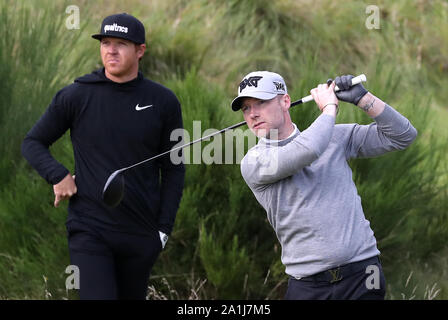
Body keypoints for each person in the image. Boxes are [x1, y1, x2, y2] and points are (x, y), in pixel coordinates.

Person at [21, 13, 185, 300]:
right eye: (105, 42)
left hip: (141, 234)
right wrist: (57, 174)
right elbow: (33, 142)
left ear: (140, 50)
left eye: (121, 43)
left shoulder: (163, 102)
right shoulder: (76, 95)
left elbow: (174, 169)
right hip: (90, 230)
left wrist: (163, 230)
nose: (111, 50)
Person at [231, 71, 417, 300]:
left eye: (261, 102)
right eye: (246, 108)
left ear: (285, 101)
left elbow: (402, 135)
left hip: (364, 273)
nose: (253, 114)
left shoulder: (335, 137)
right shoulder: (254, 162)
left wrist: (363, 99)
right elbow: (307, 150)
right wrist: (330, 108)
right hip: (307, 286)